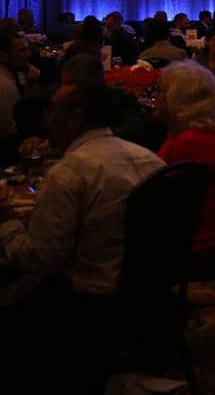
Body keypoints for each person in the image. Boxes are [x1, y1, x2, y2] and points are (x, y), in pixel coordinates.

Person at [0, 80, 164, 389]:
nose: (46, 119)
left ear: (75, 117)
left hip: (89, 303)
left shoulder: (68, 174)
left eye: (52, 112)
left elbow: (39, 259)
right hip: (150, 291)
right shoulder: (149, 159)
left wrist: (6, 221)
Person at [156, 61, 215, 263]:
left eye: (161, 92)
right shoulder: (194, 130)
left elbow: (167, 204)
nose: (156, 98)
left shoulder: (194, 141)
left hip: (204, 239)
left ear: (178, 100)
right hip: (208, 228)